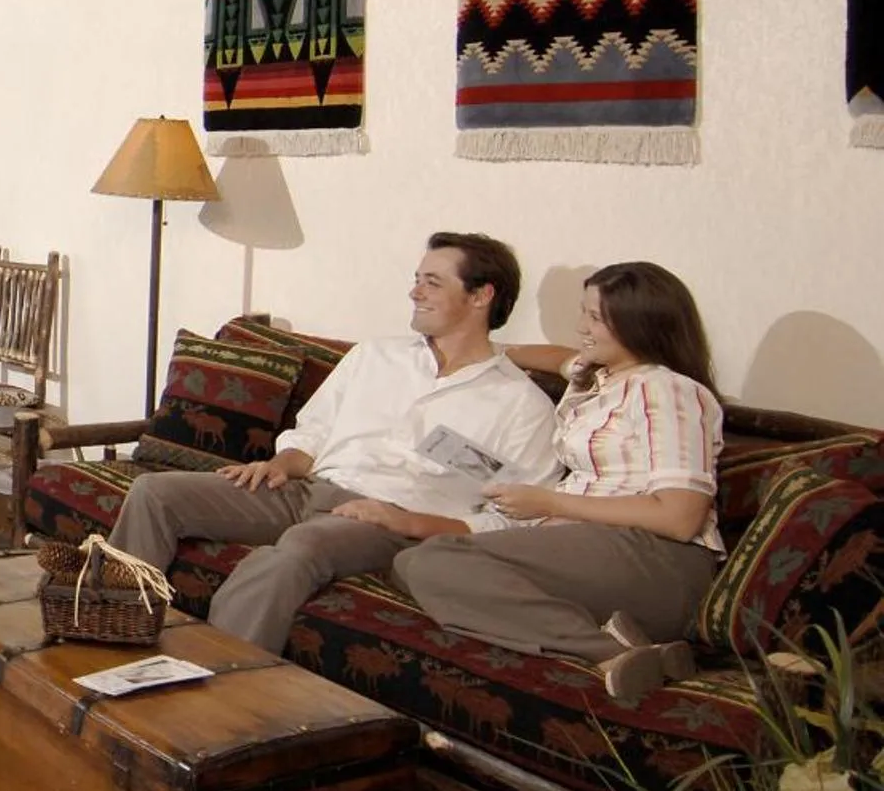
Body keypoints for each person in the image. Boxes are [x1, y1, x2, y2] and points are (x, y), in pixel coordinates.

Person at [108, 232, 561, 652]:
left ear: (481, 296)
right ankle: (111, 629)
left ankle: (223, 687)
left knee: (297, 551)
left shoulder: (520, 405)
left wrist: (410, 522)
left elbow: (517, 522)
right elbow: (315, 431)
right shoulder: (375, 356)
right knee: (156, 493)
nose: (414, 292)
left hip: (386, 522)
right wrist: (283, 462)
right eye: (417, 280)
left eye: (432, 283)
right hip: (306, 488)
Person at [393, 262, 725, 707]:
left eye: (595, 318)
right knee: (409, 563)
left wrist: (552, 502)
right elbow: (550, 356)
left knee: (437, 562)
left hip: (656, 557)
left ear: (641, 322)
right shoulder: (596, 376)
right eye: (583, 312)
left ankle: (614, 655)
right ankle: (614, 639)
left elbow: (680, 516)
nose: (580, 328)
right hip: (585, 545)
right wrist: (484, 348)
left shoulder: (667, 390)